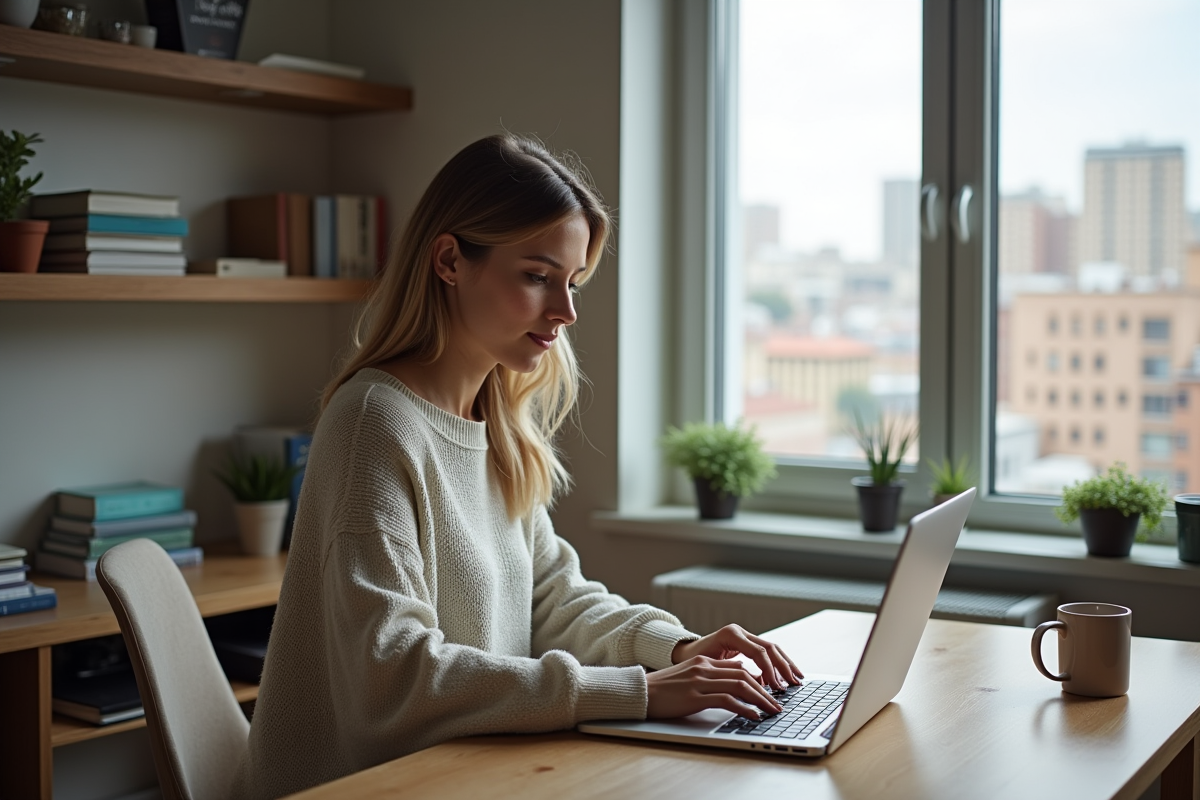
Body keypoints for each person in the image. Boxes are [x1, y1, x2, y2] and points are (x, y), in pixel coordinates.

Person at [231, 134, 801, 800]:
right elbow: (393, 678)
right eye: (537, 276)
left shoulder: (495, 422)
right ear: (449, 260)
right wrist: (639, 692)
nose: (565, 311)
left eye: (573, 282)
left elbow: (555, 601)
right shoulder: (373, 424)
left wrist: (677, 651)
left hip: (466, 774)